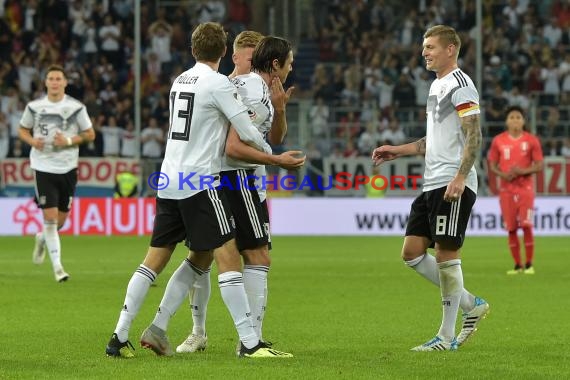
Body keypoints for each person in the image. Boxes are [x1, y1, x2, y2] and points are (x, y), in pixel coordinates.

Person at [105, 22, 301, 359]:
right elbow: (244, 133)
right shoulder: (220, 84)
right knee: (228, 258)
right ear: (224, 51)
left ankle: (120, 336)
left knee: (155, 261)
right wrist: (274, 157)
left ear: (193, 50)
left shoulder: (180, 80)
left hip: (169, 180)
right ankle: (250, 343)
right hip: (201, 181)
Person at [176, 32, 296, 354]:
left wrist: (281, 110)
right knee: (254, 256)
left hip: (231, 181)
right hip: (236, 180)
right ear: (238, 56)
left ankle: (193, 332)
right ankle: (249, 341)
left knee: (202, 256)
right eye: (288, 64)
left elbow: (274, 136)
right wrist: (275, 160)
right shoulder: (244, 88)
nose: (290, 69)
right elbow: (234, 147)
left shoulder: (242, 88)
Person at [372, 25, 489, 351]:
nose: (424, 52)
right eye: (424, 47)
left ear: (450, 49)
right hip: (432, 183)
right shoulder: (437, 85)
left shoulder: (461, 85)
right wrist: (399, 150)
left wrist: (460, 177)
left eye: (431, 47)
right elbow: (433, 141)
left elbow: (474, 136)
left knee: (446, 255)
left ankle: (446, 336)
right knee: (411, 253)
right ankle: (471, 305)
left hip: (452, 181)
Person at [18, 64, 95, 282]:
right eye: (50, 78)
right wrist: (32, 141)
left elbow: (90, 134)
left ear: (64, 82)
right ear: (45, 82)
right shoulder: (34, 107)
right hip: (42, 167)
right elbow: (22, 129)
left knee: (60, 222)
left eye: (58, 79)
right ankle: (58, 268)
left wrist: (69, 141)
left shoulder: (76, 107)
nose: (54, 82)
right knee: (50, 218)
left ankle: (42, 238)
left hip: (68, 167)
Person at [487, 106, 543, 275]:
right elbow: (492, 165)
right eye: (512, 117)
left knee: (526, 225)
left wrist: (522, 172)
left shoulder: (532, 140)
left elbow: (539, 165)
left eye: (518, 117)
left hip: (526, 189)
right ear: (506, 121)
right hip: (506, 190)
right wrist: (503, 174)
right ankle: (517, 265)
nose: (515, 120)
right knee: (511, 228)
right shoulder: (498, 141)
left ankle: (529, 264)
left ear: (523, 121)